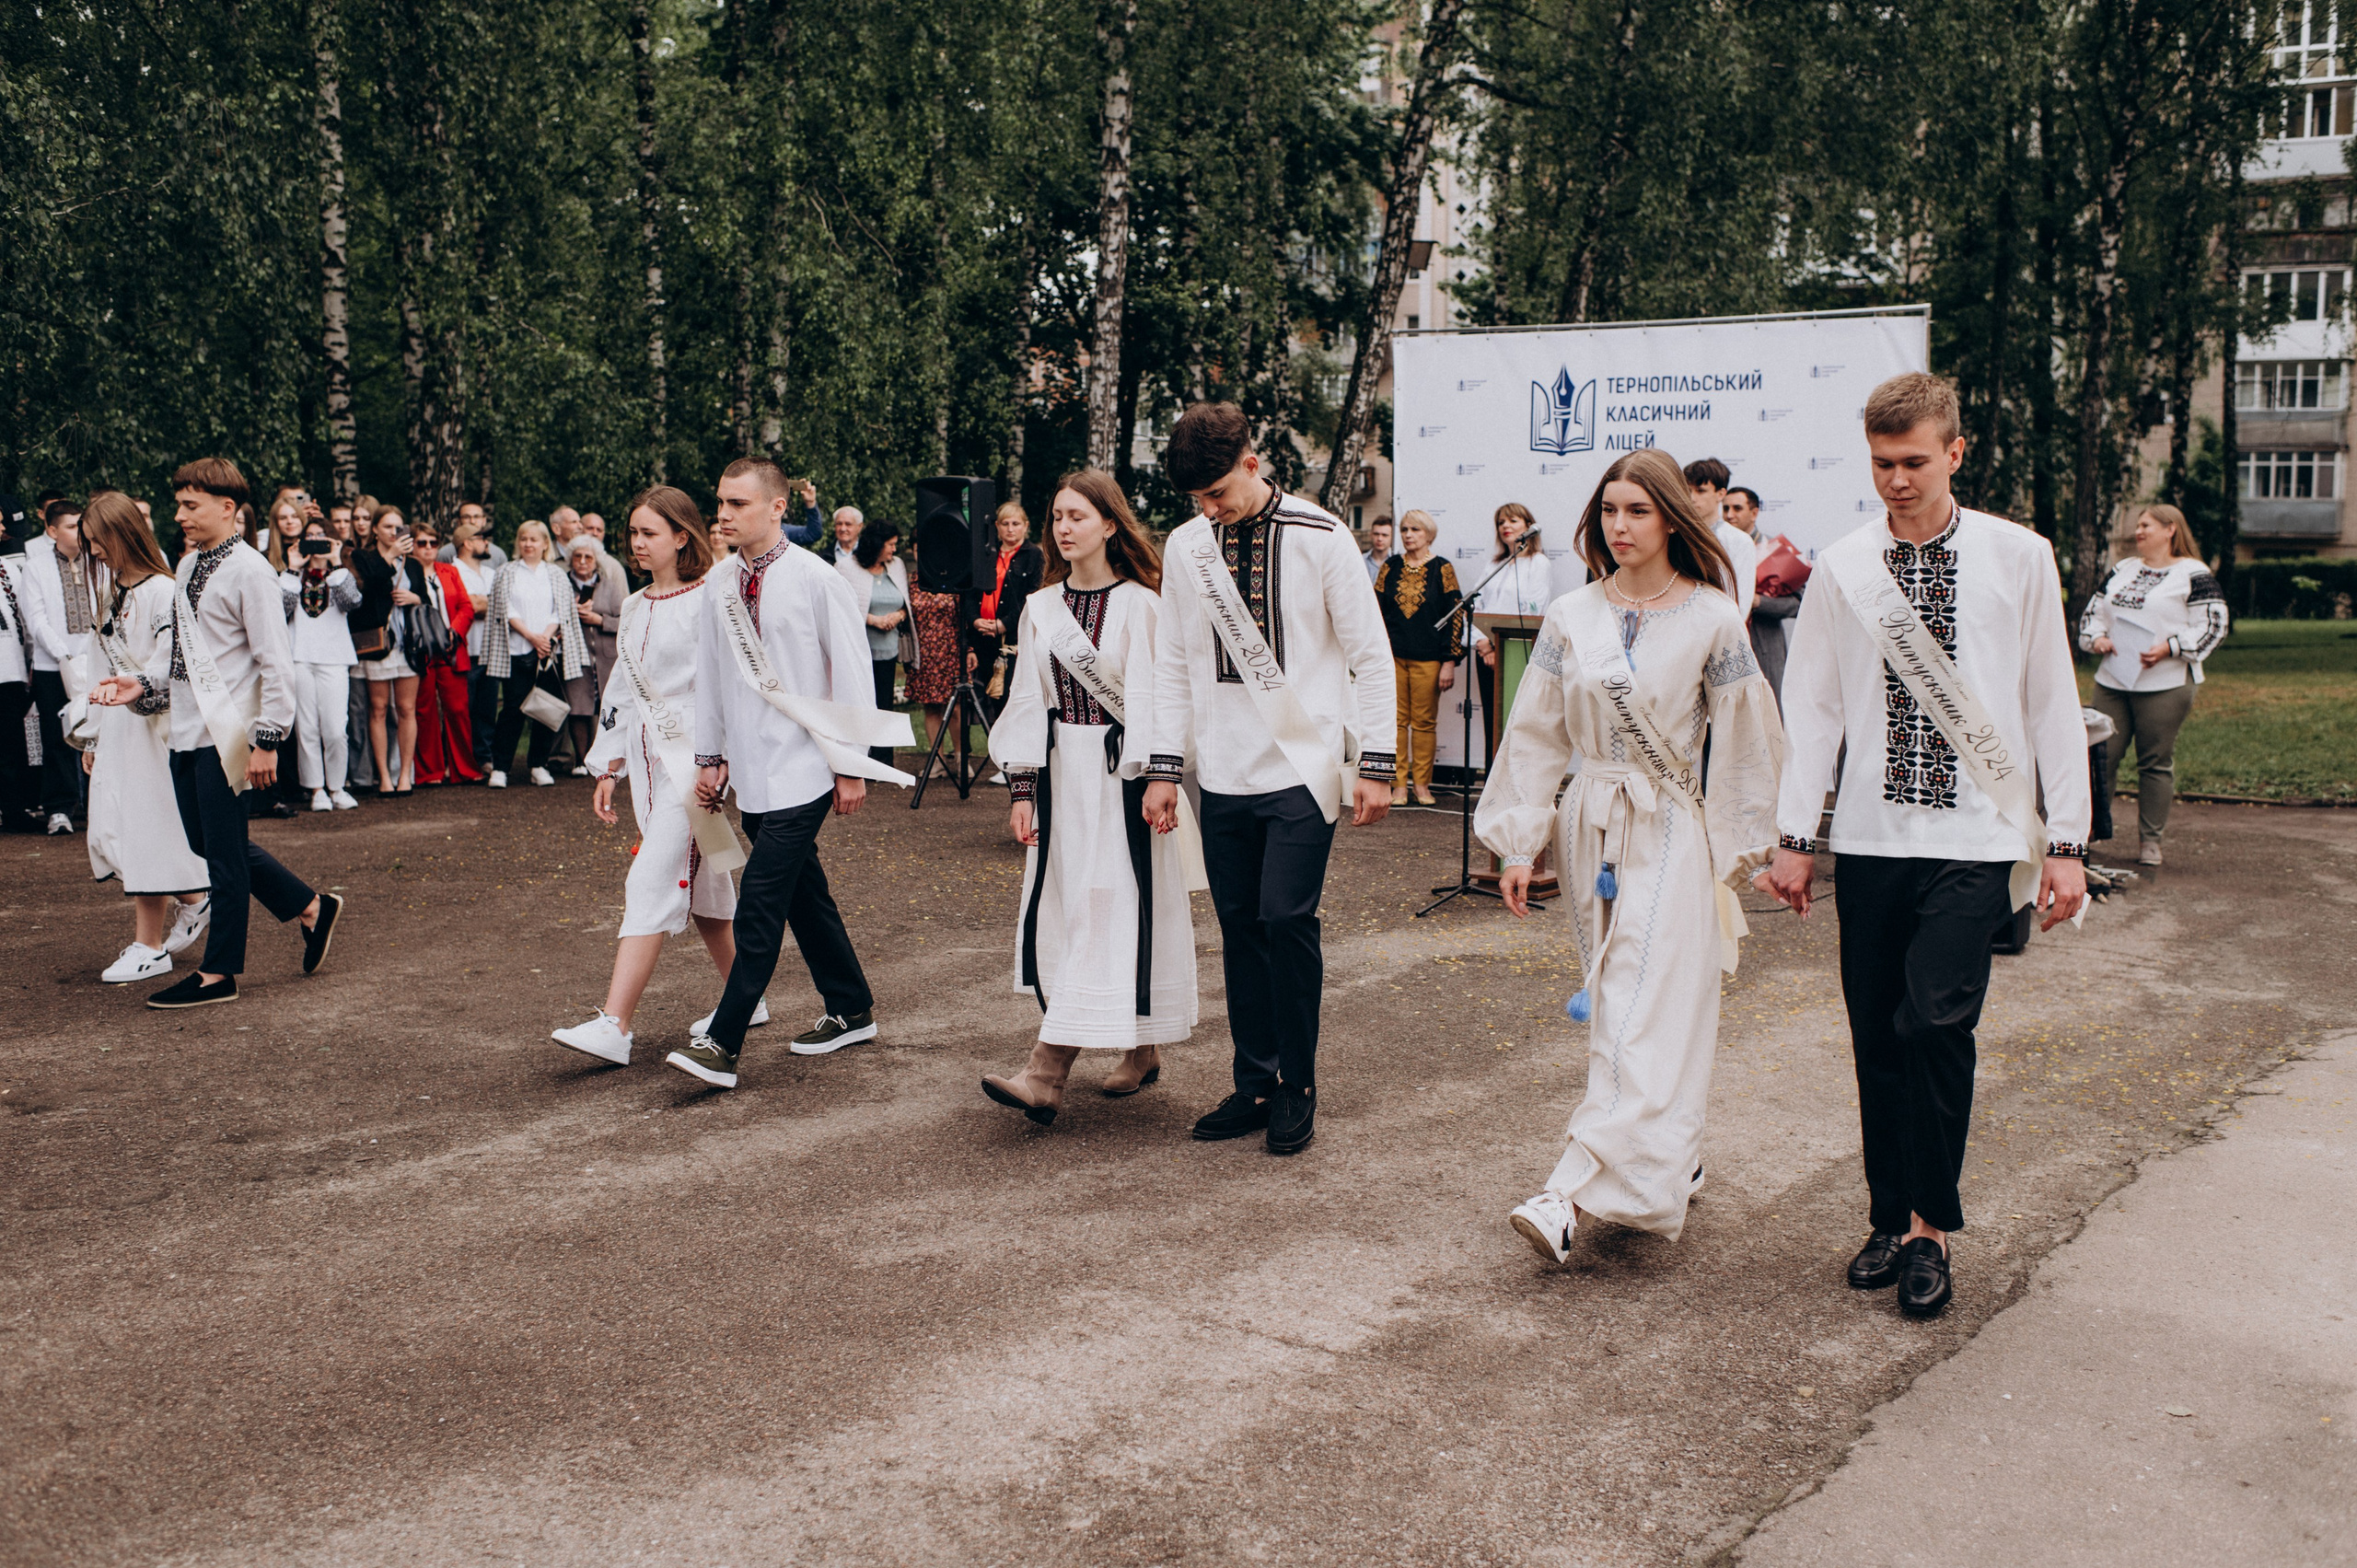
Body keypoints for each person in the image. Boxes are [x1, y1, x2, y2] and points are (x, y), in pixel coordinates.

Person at [1760, 372, 2089, 1319]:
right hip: (1868, 836)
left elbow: (2048, 699)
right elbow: (1813, 703)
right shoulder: (1845, 563)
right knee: (1875, 1033)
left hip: (1977, 836)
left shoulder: (2017, 556)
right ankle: (1883, 1214)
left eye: (1912, 461)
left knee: (1932, 1025)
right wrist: (1795, 837)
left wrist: (2063, 839)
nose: (1895, 480)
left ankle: (1929, 1227)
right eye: (1880, 463)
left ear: (1954, 450)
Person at [1474, 449, 1784, 1265]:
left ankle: (1571, 1193)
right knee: (1619, 1003)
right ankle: (1665, 1160)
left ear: (1673, 518)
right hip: (1589, 820)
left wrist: (1745, 843)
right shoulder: (1572, 614)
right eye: (1608, 510)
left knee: (1641, 993)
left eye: (1638, 511)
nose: (1619, 525)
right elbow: (1534, 729)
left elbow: (1750, 735)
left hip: (1670, 821)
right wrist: (1519, 836)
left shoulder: (1715, 617)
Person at [1144, 401, 1397, 1156]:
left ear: (1252, 463)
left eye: (1218, 492)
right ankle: (1253, 1080)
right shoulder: (1187, 547)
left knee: (1287, 920)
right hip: (1221, 770)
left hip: (1302, 767)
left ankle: (1298, 1084)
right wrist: (1164, 767)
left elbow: (1370, 655)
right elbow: (1172, 662)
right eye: (1198, 500)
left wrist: (1375, 764)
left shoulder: (1323, 537)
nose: (1210, 509)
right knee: (1240, 928)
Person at [668, 457, 911, 1089]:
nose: (723, 514)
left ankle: (723, 1040)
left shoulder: (816, 577)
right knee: (806, 895)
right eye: (720, 502)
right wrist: (710, 756)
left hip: (807, 764)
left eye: (738, 504)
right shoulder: (721, 584)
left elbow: (851, 669)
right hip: (752, 767)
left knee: (763, 898)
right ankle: (851, 1006)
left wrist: (850, 764)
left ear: (778, 508)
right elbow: (713, 676)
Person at [981, 469, 1199, 1124]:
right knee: (1079, 905)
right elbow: (1025, 699)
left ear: (1110, 523)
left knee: (1113, 902)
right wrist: (1021, 785)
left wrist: (1163, 774)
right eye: (1057, 517)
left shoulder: (1143, 604)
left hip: (1124, 776)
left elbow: (1162, 696)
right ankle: (1144, 1048)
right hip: (1061, 776)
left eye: (1078, 515)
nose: (1064, 528)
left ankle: (1046, 1072)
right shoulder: (1041, 606)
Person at [88, 457, 343, 1008]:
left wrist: (267, 740)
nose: (179, 514)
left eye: (190, 505)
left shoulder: (252, 571)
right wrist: (138, 684)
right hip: (183, 728)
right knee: (208, 844)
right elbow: (177, 656)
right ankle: (311, 907)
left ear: (227, 509)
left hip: (227, 736)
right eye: (178, 504)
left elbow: (277, 664)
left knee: (223, 859)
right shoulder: (184, 567)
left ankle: (218, 973)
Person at [552, 486, 741, 1064]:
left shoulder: (713, 596)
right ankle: (744, 996)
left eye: (649, 533)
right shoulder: (634, 605)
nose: (636, 544)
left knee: (651, 876)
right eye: (632, 533)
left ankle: (616, 1025)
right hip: (645, 759)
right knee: (707, 886)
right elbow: (622, 689)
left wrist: (723, 756)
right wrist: (607, 763)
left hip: (695, 758)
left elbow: (731, 682)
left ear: (682, 536)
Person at [76, 491, 214, 983]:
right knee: (115, 827)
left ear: (122, 535)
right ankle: (196, 898)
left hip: (152, 727)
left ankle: (149, 944)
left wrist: (132, 695)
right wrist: (92, 736)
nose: (94, 553)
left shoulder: (162, 591)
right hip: (118, 727)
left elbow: (169, 663)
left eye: (98, 542)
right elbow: (97, 667)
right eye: (89, 543)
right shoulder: (112, 596)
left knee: (146, 829)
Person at [2076, 502, 2227, 867]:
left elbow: (2213, 624)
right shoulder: (2123, 569)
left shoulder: (2193, 572)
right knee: (2099, 758)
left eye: (2146, 525)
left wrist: (2170, 648)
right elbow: (2093, 615)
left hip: (2166, 684)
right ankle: (2088, 834)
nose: (2138, 532)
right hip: (2113, 680)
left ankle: (2150, 842)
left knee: (2154, 762)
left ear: (2170, 529)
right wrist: (2096, 639)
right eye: (2138, 526)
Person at [482, 520, 589, 787]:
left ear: (544, 544)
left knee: (545, 710)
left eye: (534, 539)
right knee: (512, 710)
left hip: (548, 652)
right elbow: (504, 609)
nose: (528, 544)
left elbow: (561, 610)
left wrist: (545, 638)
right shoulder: (506, 572)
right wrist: (530, 636)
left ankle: (538, 764)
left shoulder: (554, 574)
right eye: (523, 539)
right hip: (517, 650)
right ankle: (501, 768)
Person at [1373, 509, 1462, 807]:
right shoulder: (1390, 566)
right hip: (1393, 657)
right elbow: (1375, 610)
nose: (1408, 534)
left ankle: (1421, 785)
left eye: (1416, 530)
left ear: (1429, 534)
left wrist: (1449, 660)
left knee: (1423, 723)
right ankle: (1397, 786)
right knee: (1396, 723)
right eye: (1405, 529)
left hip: (1429, 659)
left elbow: (1455, 614)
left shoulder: (1442, 568)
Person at [277, 517, 361, 809]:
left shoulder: (342, 574)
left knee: (336, 728)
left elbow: (351, 602)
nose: (315, 542)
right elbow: (279, 611)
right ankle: (316, 789)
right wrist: (292, 568)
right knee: (307, 728)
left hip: (335, 658)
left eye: (320, 537)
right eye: (309, 536)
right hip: (300, 656)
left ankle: (337, 786)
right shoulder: (292, 576)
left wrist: (336, 562)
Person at [22, 499, 95, 832]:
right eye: (69, 526)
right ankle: (59, 809)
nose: (77, 532)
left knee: (98, 733)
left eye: (80, 524)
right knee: (57, 738)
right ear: (51, 530)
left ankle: (100, 805)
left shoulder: (98, 561)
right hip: (53, 665)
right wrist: (63, 653)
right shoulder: (36, 566)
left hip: (94, 662)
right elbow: (35, 620)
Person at [1469, 501, 1561, 760]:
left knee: (1516, 719)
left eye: (1513, 521)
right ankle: (1490, 783)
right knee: (1492, 718)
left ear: (1528, 527)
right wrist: (1484, 643)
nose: (1506, 526)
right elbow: (1478, 606)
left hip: (1516, 649)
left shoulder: (1538, 562)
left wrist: (1497, 646)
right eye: (1501, 522)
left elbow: (1534, 608)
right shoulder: (1495, 563)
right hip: (1485, 650)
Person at [350, 507, 427, 796]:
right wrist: (390, 555)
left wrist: (414, 597)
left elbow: (426, 600)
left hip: (408, 644)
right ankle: (383, 776)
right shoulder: (364, 558)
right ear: (375, 530)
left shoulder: (414, 565)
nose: (394, 532)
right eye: (387, 526)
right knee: (379, 709)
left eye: (398, 526)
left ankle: (405, 774)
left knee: (406, 709)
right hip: (378, 643)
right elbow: (366, 594)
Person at [407, 520, 482, 786]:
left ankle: (464, 769)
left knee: (458, 708)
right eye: (422, 543)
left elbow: (466, 606)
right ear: (412, 546)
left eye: (433, 543)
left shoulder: (448, 571)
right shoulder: (405, 572)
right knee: (423, 711)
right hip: (421, 650)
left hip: (450, 647)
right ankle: (429, 772)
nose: (428, 548)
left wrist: (454, 631)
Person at [966, 501, 1043, 716]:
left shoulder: (1034, 556)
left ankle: (1011, 748)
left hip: (1011, 640)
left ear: (1026, 526)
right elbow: (970, 594)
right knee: (985, 699)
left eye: (1016, 523)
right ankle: (993, 747)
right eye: (1005, 523)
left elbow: (1033, 599)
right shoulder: (986, 555)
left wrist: (1003, 624)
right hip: (982, 637)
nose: (1010, 529)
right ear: (997, 527)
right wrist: (974, 620)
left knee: (1010, 698)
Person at [1724, 484, 1799, 705]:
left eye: (1737, 508)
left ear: (1754, 513)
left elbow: (1797, 605)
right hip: (1725, 647)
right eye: (1725, 508)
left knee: (1770, 718)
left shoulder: (1774, 550)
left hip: (1765, 648)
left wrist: (1757, 602)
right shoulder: (1714, 548)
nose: (1729, 515)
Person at [563, 534, 623, 774]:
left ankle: (603, 759)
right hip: (576, 656)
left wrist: (599, 620)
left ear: (596, 560)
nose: (583, 561)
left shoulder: (609, 587)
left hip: (606, 656)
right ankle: (581, 760)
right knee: (579, 707)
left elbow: (625, 620)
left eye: (588, 557)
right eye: (578, 556)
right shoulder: (563, 584)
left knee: (606, 707)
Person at [904, 535, 962, 776]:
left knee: (957, 706)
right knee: (931, 708)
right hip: (924, 652)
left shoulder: (953, 576)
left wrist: (968, 650)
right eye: (918, 549)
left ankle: (960, 757)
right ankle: (936, 760)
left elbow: (964, 616)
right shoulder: (911, 581)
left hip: (951, 649)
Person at [853, 519, 908, 767]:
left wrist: (898, 616)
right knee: (861, 705)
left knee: (885, 704)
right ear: (877, 544)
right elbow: (842, 608)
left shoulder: (896, 566)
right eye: (891, 545)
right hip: (859, 650)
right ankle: (859, 759)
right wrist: (873, 620)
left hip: (889, 649)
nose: (894, 550)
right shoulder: (848, 567)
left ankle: (884, 760)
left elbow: (905, 602)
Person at [447, 516, 499, 772]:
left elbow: (496, 606)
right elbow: (470, 606)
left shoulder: (491, 572)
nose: (486, 543)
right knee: (461, 709)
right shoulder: (452, 571)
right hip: (465, 650)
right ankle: (460, 761)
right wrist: (479, 603)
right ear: (467, 543)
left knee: (487, 710)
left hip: (490, 652)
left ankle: (484, 757)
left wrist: (479, 603)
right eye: (481, 538)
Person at [1681, 458, 1757, 618]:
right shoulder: (1674, 535)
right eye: (1688, 491)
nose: (1692, 498)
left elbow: (1740, 604)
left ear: (1721, 493)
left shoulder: (1739, 540)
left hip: (1719, 633)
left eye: (1700, 491)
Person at [435, 501, 508, 569]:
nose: (472, 522)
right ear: (459, 522)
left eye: (476, 517)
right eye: (466, 517)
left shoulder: (498, 554)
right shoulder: (445, 554)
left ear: (484, 521)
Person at [1361, 515, 1394, 582]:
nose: (1379, 539)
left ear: (1392, 537)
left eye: (1384, 535)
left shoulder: (1396, 562)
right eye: (1376, 534)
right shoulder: (1361, 561)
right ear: (1371, 535)